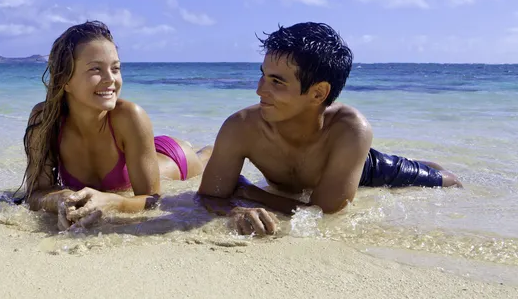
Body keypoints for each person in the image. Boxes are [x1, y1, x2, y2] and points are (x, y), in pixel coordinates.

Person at [197, 22, 462, 236]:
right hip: (310, 178)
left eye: (276, 82)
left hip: (367, 170)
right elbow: (209, 196)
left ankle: (427, 164)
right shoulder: (241, 127)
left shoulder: (350, 130)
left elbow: (323, 215)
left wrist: (254, 193)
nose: (259, 90)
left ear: (318, 93)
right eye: (263, 75)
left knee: (450, 181)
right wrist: (236, 209)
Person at [17, 20, 212, 231]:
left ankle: (206, 149)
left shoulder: (130, 116)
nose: (111, 79)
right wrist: (61, 198)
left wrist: (112, 201)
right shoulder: (45, 119)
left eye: (116, 69)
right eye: (95, 69)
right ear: (65, 80)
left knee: (204, 157)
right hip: (138, 150)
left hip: (173, 157)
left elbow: (153, 200)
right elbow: (36, 194)